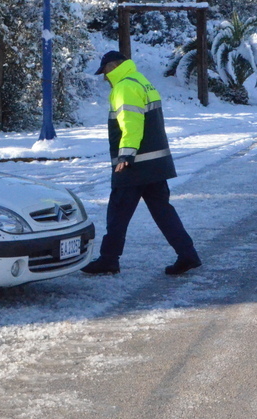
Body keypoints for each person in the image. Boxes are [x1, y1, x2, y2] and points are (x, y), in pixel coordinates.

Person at [82, 50, 201, 276]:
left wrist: (125, 156)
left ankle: (109, 259)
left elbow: (131, 123)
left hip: (135, 164)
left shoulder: (124, 87)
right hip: (155, 163)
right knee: (163, 211)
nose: (104, 78)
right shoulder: (142, 81)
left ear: (112, 67)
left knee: (117, 212)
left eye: (104, 72)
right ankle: (187, 254)